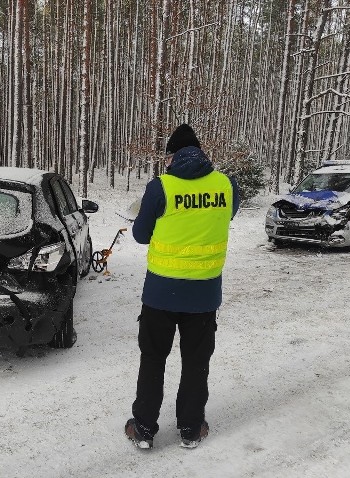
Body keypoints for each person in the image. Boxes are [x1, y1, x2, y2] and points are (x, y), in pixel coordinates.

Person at [124, 124, 240, 449]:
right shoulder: (226, 185)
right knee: (196, 363)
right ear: (202, 153)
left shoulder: (161, 187)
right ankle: (190, 428)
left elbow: (140, 235)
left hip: (161, 294)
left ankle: (144, 428)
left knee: (153, 359)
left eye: (166, 157)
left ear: (172, 157)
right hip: (204, 296)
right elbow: (228, 214)